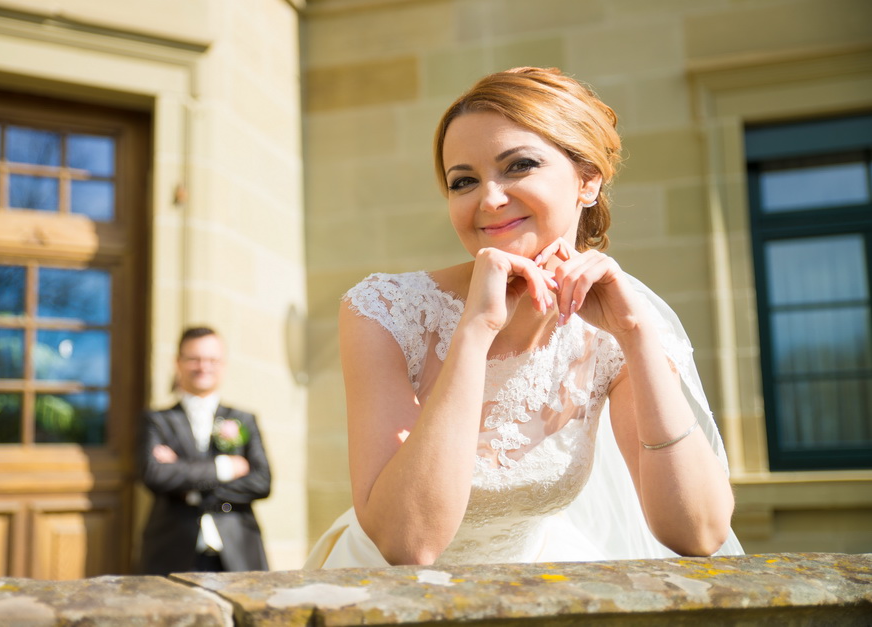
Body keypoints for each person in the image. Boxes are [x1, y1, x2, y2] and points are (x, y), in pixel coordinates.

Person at [305, 67, 743, 568]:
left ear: (588, 180)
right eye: (464, 180)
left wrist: (635, 336)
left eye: (519, 166)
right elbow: (408, 544)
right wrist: (476, 331)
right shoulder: (383, 310)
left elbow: (701, 533)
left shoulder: (624, 325)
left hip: (537, 584)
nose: (489, 199)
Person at [138, 326, 271, 574]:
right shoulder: (157, 420)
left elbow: (262, 482)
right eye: (194, 359)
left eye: (212, 360)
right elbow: (154, 475)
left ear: (223, 364)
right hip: (173, 549)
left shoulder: (244, 419)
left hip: (238, 548)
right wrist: (224, 468)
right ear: (178, 363)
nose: (203, 366)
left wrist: (189, 487)